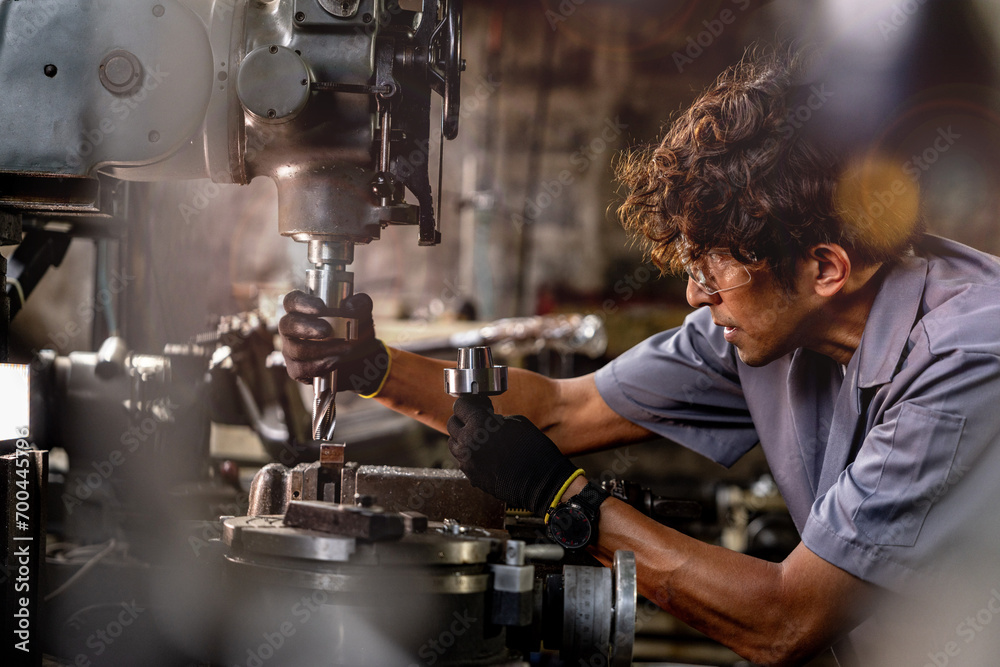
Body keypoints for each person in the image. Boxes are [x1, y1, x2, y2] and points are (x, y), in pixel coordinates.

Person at [279, 50, 1000, 665]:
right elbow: (567, 409)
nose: (693, 294)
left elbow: (786, 619)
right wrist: (369, 365)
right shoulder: (770, 321)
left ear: (825, 267)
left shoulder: (966, 358)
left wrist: (573, 505)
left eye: (712, 267)